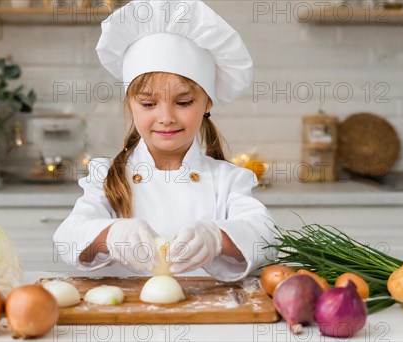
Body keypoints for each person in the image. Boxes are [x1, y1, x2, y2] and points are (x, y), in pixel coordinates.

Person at [53, 0, 276, 282]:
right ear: (130, 104)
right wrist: (111, 235)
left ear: (207, 101)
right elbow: (67, 237)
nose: (166, 117)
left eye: (183, 102)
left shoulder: (227, 180)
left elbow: (267, 238)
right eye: (148, 104)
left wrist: (218, 237)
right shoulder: (106, 176)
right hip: (125, 319)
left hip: (210, 320)